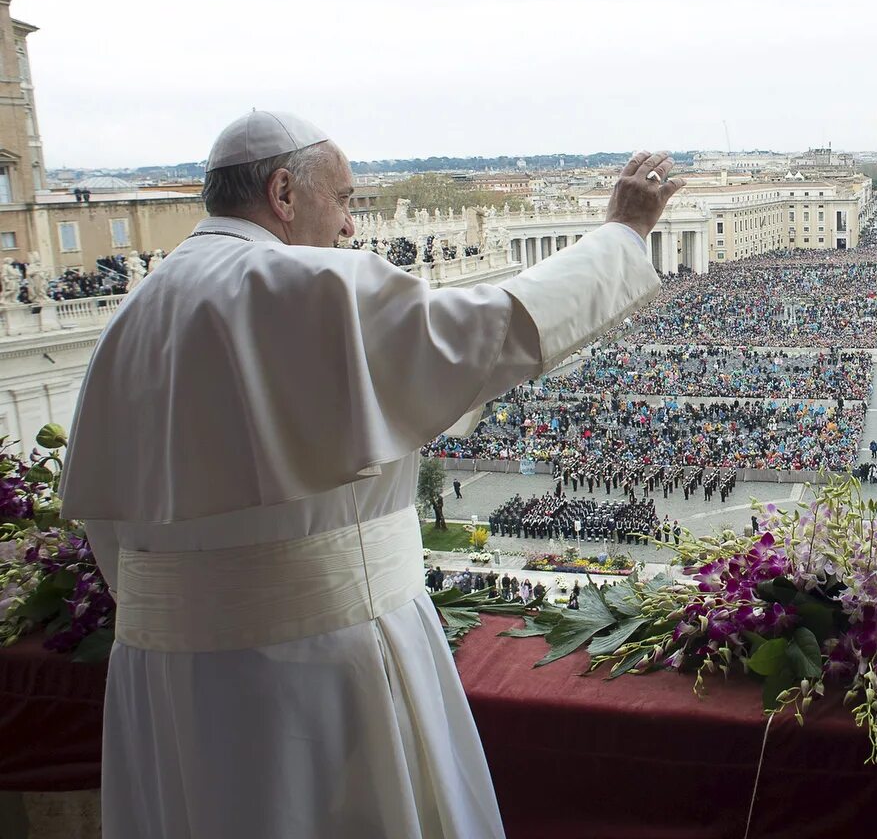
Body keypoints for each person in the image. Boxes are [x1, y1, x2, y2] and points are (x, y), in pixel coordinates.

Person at [60, 111, 684, 839]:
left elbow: (110, 534)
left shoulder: (133, 314)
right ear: (284, 191)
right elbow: (493, 329)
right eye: (348, 199)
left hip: (164, 684)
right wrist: (621, 235)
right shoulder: (308, 284)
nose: (353, 228)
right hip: (317, 667)